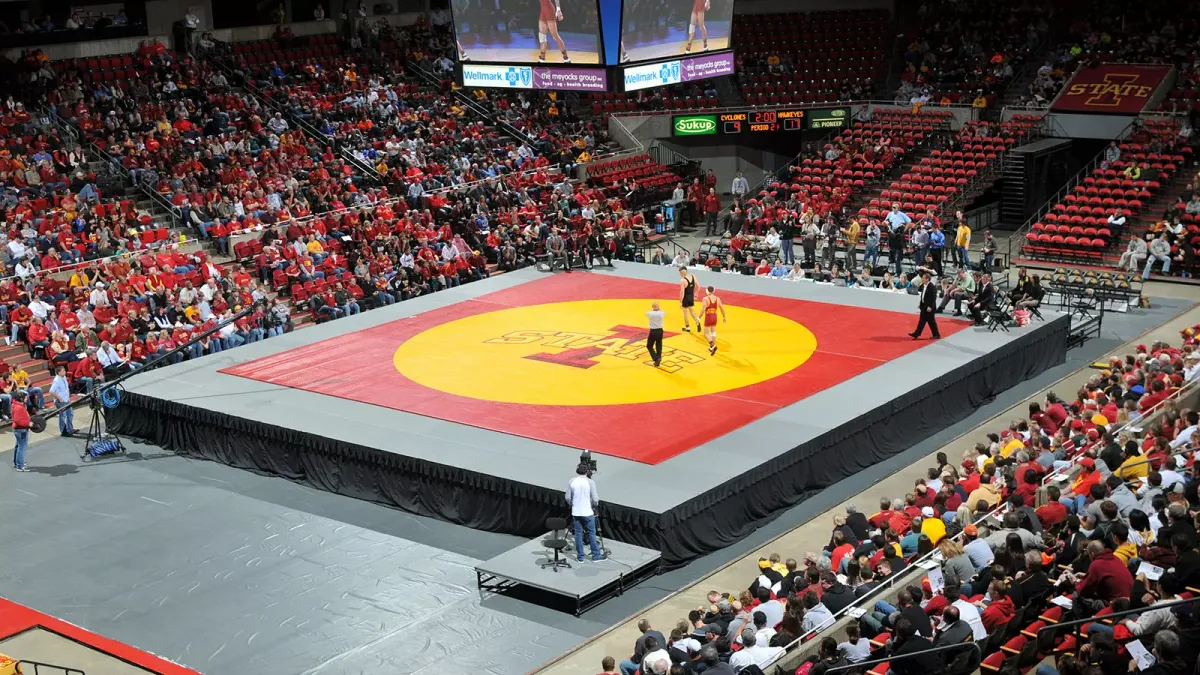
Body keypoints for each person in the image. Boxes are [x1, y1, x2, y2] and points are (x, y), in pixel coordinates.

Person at [566, 463, 604, 563]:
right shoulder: (590, 482)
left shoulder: (572, 481)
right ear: (587, 471)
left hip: (576, 512)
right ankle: (596, 556)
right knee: (591, 533)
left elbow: (567, 497)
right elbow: (595, 498)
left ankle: (580, 557)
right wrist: (594, 505)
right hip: (588, 512)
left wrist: (573, 504)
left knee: (578, 534)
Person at [909, 271, 940, 339]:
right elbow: (923, 296)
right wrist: (920, 304)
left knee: (931, 322)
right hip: (924, 306)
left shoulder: (932, 287)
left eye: (923, 278)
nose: (922, 279)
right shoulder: (923, 285)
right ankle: (917, 333)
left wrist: (930, 307)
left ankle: (936, 334)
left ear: (927, 279)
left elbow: (933, 298)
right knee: (922, 321)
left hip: (929, 307)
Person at [699, 285, 726, 355]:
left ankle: (712, 345)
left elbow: (703, 309)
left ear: (707, 291)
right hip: (714, 316)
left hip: (709, 316)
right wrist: (724, 317)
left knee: (706, 333)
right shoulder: (718, 299)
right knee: (713, 332)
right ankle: (712, 347)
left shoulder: (705, 299)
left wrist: (699, 317)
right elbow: (722, 308)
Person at [49, 365, 74, 436]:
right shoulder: (57, 380)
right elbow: (51, 391)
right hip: (60, 401)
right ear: (59, 372)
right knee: (63, 416)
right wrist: (59, 398)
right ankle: (63, 431)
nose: (65, 372)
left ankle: (70, 428)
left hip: (66, 399)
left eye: (64, 370)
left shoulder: (64, 377)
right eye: (63, 371)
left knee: (70, 414)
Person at [11, 391, 30, 471]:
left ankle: (17, 462)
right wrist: (29, 424)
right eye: (25, 397)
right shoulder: (19, 408)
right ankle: (20, 466)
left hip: (18, 429)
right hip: (21, 430)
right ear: (21, 399)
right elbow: (18, 420)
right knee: (21, 447)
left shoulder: (16, 405)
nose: (27, 398)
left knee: (18, 446)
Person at [678, 267, 701, 332]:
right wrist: (696, 293)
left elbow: (682, 292)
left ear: (682, 272)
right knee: (692, 312)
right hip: (691, 297)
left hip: (685, 298)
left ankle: (687, 327)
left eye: (680, 273)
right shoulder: (693, 276)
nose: (680, 274)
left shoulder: (683, 280)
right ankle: (697, 320)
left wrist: (680, 302)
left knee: (686, 313)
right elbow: (698, 286)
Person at [646, 301, 665, 367]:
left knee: (649, 346)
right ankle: (659, 357)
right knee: (659, 345)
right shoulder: (662, 313)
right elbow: (662, 311)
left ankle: (655, 358)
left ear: (652, 307)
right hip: (660, 331)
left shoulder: (650, 313)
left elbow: (647, 313)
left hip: (653, 331)